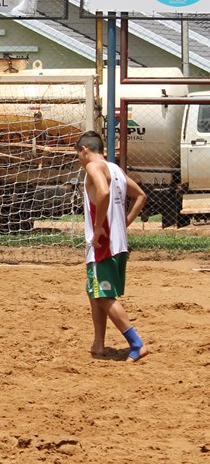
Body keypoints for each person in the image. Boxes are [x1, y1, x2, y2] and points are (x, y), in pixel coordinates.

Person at [76, 130, 148, 362]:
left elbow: (104, 191)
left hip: (103, 244)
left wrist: (98, 227)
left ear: (84, 150)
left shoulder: (93, 166)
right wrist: (124, 223)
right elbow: (141, 196)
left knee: (104, 295)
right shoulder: (115, 169)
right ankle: (98, 343)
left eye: (78, 155)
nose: (79, 160)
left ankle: (136, 343)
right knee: (95, 292)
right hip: (119, 243)